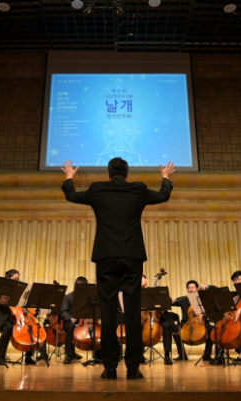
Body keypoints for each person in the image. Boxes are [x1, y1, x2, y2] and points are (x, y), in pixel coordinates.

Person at [61, 157, 174, 380]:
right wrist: (165, 178)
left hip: (106, 256)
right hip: (132, 256)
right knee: (132, 313)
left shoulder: (97, 189)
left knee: (108, 313)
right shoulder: (138, 189)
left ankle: (109, 368)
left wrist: (69, 178)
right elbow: (163, 195)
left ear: (109, 173)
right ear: (127, 173)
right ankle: (133, 368)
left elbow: (71, 195)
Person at [0, 269, 37, 365]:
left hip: (17, 317)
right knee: (8, 328)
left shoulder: (21, 290)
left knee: (29, 328)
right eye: (15, 279)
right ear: (7, 279)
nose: (17, 281)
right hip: (3, 318)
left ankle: (28, 356)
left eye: (18, 279)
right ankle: (1, 356)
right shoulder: (0, 289)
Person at [171, 280, 216, 363]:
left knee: (213, 330)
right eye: (189, 288)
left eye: (193, 287)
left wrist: (204, 314)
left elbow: (211, 310)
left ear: (197, 288)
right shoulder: (183, 299)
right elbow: (169, 303)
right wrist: (171, 300)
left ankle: (207, 354)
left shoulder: (204, 299)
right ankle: (182, 355)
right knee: (176, 331)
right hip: (186, 323)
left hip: (202, 323)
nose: (191, 289)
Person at [140, 274, 175, 365]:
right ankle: (140, 355)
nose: (140, 280)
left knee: (167, 326)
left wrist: (156, 292)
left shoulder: (156, 290)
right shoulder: (138, 293)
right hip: (145, 317)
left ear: (146, 279)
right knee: (137, 326)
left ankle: (167, 355)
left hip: (159, 317)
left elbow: (169, 300)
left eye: (142, 278)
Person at [59, 276, 89, 364]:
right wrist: (71, 318)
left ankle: (98, 355)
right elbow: (63, 312)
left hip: (85, 322)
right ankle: (69, 355)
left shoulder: (89, 298)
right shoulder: (68, 297)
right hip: (70, 321)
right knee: (71, 327)